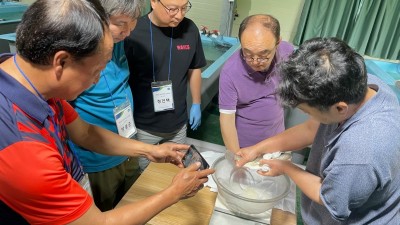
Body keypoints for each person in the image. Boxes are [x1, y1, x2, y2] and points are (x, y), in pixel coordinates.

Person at [0, 0, 214, 224]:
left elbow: (86, 133)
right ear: (61, 61)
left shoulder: (31, 81)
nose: (97, 80)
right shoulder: (23, 150)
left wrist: (150, 150)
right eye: (97, 71)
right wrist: (175, 192)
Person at [236, 37, 400, 224]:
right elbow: (310, 129)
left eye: (306, 111)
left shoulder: (360, 153)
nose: (307, 116)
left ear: (339, 108)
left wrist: (286, 167)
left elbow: (329, 199)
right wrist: (258, 148)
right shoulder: (361, 84)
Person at [69, 0, 144, 211]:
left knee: (131, 201)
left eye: (132, 24)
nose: (127, 32)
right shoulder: (80, 53)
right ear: (98, 17)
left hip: (127, 143)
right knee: (104, 210)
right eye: (120, 23)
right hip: (97, 158)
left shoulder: (118, 41)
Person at [124, 0, 206, 171]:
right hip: (143, 126)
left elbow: (194, 68)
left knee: (175, 173)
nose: (180, 15)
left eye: (184, 8)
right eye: (173, 9)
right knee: (140, 178)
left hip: (177, 125)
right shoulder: (133, 30)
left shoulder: (190, 29)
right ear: (154, 2)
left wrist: (196, 103)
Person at [219, 14, 294, 152]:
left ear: (278, 43)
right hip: (246, 146)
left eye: (263, 55)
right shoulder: (230, 72)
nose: (255, 61)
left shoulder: (287, 52)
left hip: (278, 141)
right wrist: (237, 156)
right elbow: (227, 120)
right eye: (247, 54)